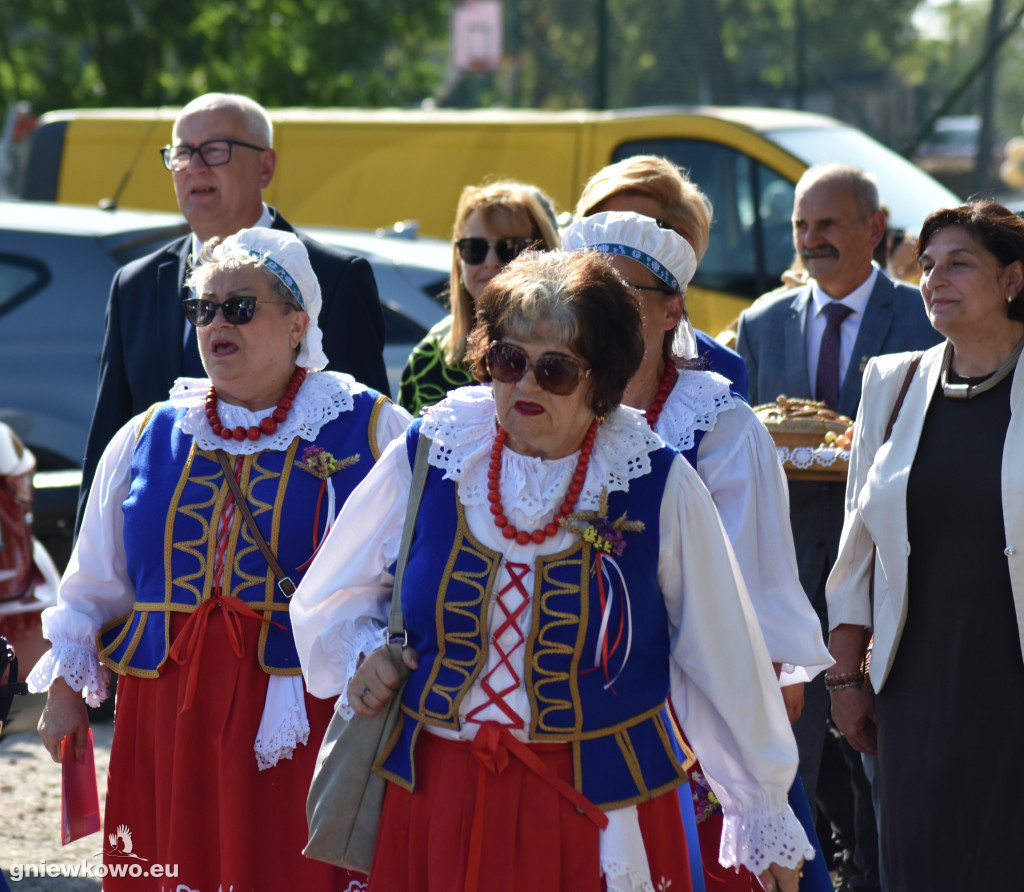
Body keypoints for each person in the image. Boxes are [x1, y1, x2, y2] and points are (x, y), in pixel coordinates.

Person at [293, 249, 813, 892]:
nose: (526, 385)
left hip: (602, 812)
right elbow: (331, 595)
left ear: (603, 382)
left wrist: (761, 810)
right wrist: (367, 652)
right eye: (509, 360)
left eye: (556, 370)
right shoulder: (436, 451)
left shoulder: (655, 482)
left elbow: (722, 658)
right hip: (439, 793)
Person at [28, 228, 410, 891]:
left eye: (240, 307)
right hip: (168, 713)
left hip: (300, 712)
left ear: (298, 324)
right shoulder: (148, 434)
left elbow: (414, 580)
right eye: (202, 308)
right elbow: (95, 580)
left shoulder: (372, 429)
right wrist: (65, 691)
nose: (215, 323)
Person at [563, 211, 834, 891]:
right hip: (553, 718)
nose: (597, 314)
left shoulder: (716, 429)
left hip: (686, 726)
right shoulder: (527, 411)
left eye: (621, 294)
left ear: (670, 310)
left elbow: (746, 617)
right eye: (577, 294)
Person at [735, 163, 941, 889]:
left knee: (877, 766)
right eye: (800, 226)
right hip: (787, 575)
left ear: (872, 230)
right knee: (791, 765)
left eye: (826, 225)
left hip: (885, 580)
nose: (810, 240)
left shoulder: (923, 318)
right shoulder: (761, 323)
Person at [78, 92, 390, 530]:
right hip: (168, 563)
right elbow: (109, 437)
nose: (196, 166)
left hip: (296, 556)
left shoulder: (333, 277)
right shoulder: (137, 284)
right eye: (182, 153)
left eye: (215, 150)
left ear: (266, 165)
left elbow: (366, 442)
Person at [827, 201, 1024, 891]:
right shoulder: (893, 381)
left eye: (961, 262)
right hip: (915, 684)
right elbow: (858, 545)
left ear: (1013, 279)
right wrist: (845, 678)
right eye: (929, 264)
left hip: (1011, 672)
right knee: (918, 865)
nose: (936, 277)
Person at [575, 154, 749, 400]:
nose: (614, 244)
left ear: (683, 248)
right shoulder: (546, 356)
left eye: (640, 233)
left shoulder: (722, 368)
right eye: (600, 226)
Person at [398, 180, 560, 415]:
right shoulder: (427, 361)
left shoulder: (568, 352)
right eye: (474, 248)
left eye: (510, 248)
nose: (490, 261)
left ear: (544, 254)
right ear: (458, 259)